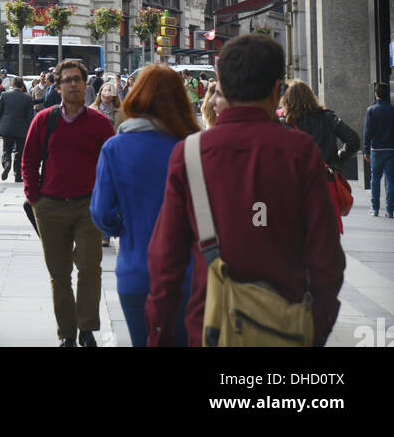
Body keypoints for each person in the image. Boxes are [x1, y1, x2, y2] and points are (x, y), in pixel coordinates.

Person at [146, 34, 346, 347]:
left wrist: (159, 334)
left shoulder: (190, 153)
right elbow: (326, 255)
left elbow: (165, 261)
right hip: (286, 327)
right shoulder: (301, 151)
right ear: (276, 90)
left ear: (221, 86)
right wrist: (316, 327)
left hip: (211, 328)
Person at [91, 64, 198, 347]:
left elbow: (100, 213)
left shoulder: (115, 148)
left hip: (136, 271)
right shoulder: (193, 148)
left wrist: (123, 226)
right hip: (189, 275)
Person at [22, 59, 114, 347]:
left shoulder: (100, 123)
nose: (73, 84)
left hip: (88, 206)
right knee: (59, 273)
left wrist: (107, 199)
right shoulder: (44, 119)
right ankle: (67, 335)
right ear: (58, 86)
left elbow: (112, 164)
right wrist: (34, 198)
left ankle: (86, 329)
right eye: (67, 80)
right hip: (49, 206)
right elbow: (29, 160)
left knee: (90, 267)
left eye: (77, 79)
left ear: (86, 85)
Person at [280, 79, 360, 232]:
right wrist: (339, 158)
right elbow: (353, 140)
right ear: (311, 97)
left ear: (287, 100)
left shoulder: (284, 123)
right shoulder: (328, 118)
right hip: (325, 181)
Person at [0, 76, 35, 181]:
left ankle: (7, 163)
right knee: (19, 152)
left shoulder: (4, 95)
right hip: (22, 129)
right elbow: (31, 117)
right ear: (22, 86)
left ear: (12, 85)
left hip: (6, 128)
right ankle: (17, 175)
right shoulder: (28, 98)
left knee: (6, 150)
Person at [363, 82, 394, 218]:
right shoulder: (392, 110)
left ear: (376, 94)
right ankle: (389, 209)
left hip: (376, 149)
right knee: (391, 179)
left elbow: (367, 132)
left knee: (375, 179)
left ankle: (375, 208)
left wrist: (366, 150)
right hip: (391, 149)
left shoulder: (371, 110)